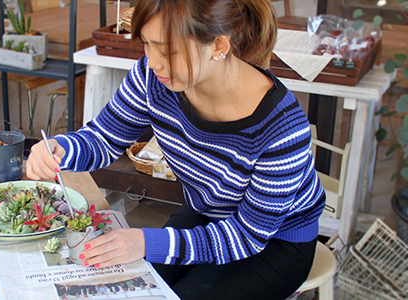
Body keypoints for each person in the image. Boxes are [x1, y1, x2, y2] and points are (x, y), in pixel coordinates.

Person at [26, 0, 325, 298]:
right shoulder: (151, 79)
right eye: (146, 43)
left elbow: (247, 236)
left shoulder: (281, 126)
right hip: (207, 212)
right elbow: (103, 138)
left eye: (168, 51)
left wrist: (145, 242)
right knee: (126, 288)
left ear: (219, 45)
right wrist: (60, 148)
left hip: (274, 240)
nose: (153, 62)